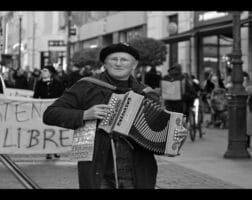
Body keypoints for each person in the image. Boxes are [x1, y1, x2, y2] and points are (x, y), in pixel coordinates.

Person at [43, 43, 186, 189]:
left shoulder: (146, 93)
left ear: (134, 64)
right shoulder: (86, 86)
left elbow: (159, 139)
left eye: (124, 60)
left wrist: (176, 137)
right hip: (97, 169)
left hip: (137, 172)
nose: (118, 63)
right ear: (105, 63)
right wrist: (85, 114)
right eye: (113, 59)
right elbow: (50, 114)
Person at [33, 65, 65, 160]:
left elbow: (62, 95)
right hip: (44, 110)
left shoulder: (58, 83)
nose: (42, 72)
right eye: (42, 70)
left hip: (55, 109)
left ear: (50, 73)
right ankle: (48, 151)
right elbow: (36, 96)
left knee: (56, 129)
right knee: (46, 130)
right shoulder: (39, 83)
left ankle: (57, 149)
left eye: (45, 70)